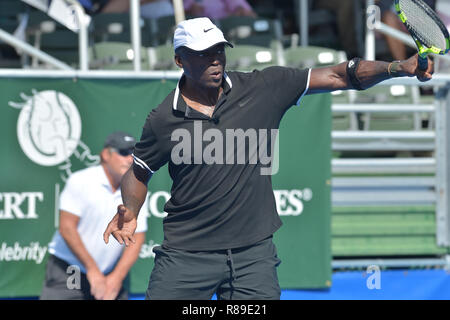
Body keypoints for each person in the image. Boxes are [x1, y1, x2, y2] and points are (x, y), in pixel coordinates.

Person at [103, 17, 433, 300]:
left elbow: (340, 75)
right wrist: (130, 209)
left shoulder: (263, 87)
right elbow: (139, 170)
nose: (216, 59)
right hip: (186, 256)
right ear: (180, 60)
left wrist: (397, 67)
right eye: (203, 54)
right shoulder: (163, 118)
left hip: (252, 258)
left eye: (219, 50)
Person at [41, 131, 148, 300]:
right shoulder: (81, 181)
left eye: (133, 154)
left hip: (111, 275)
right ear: (106, 154)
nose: (130, 159)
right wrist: (93, 271)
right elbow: (67, 227)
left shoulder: (138, 188)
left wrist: (116, 277)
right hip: (71, 270)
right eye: (123, 153)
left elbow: (138, 236)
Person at [184, 0, 257, 21]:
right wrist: (190, 10)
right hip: (196, 35)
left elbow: (251, 15)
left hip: (224, 34)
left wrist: (240, 11)